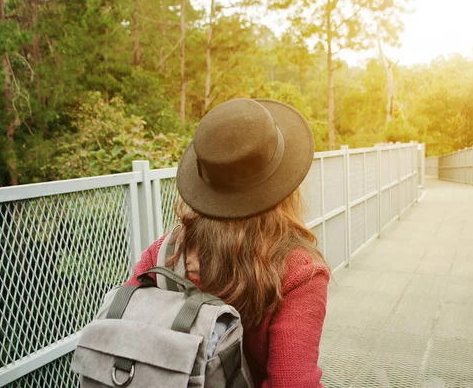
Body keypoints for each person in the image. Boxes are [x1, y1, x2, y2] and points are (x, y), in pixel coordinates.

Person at [125, 98, 330, 387]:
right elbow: (293, 381)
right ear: (285, 186)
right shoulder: (299, 271)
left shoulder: (166, 252)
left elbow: (123, 324)